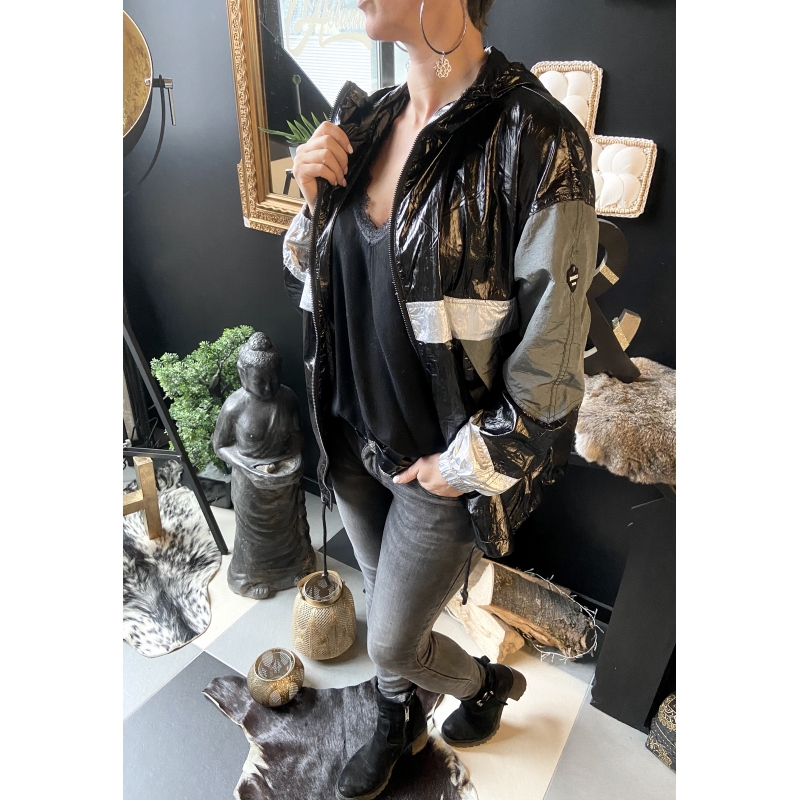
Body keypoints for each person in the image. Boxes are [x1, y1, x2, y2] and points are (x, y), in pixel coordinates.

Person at [282, 2, 598, 798]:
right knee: (384, 599)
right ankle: (398, 722)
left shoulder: (539, 140)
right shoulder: (366, 122)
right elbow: (323, 278)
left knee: (392, 643)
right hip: (351, 438)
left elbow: (551, 367)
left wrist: (460, 470)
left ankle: (485, 684)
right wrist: (311, 202)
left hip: (437, 467)